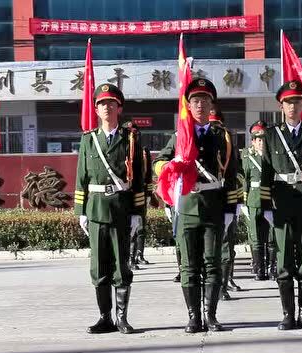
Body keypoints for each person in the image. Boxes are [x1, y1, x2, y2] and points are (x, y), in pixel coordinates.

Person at [153, 78, 238, 333]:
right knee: (189, 266)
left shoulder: (222, 135)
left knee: (213, 263)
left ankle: (210, 315)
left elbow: (232, 176)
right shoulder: (180, 136)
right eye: (195, 101)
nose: (200, 105)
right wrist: (171, 165)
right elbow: (159, 162)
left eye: (204, 100)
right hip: (187, 206)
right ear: (188, 106)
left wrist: (230, 210)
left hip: (213, 206)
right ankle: (193, 317)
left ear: (212, 104)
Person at [74, 83, 144, 334]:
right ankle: (105, 318)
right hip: (95, 211)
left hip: (121, 210)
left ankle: (122, 318)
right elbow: (81, 177)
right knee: (98, 266)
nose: (106, 107)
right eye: (102, 103)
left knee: (121, 266)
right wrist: (80, 211)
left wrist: (137, 213)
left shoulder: (131, 139)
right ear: (95, 109)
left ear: (119, 108)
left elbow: (138, 180)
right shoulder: (88, 140)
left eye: (111, 103)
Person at [260, 80, 302, 330]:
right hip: (281, 203)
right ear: (281, 106)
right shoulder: (271, 135)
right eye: (288, 102)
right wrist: (265, 205)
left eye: (297, 101)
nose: (293, 106)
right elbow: (265, 171)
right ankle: (288, 313)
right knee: (284, 260)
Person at [209, 107, 243, 300]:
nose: (214, 129)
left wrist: (235, 202)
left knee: (225, 246)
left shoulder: (228, 142)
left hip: (224, 200)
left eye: (216, 125)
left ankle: (223, 284)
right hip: (205, 201)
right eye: (211, 125)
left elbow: (234, 175)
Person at [240, 121, 274, 281]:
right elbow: (243, 180)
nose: (261, 143)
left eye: (264, 139)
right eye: (258, 140)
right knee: (257, 237)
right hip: (253, 200)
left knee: (272, 236)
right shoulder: (247, 156)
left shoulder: (273, 156)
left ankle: (273, 267)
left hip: (271, 200)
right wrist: (244, 202)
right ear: (253, 141)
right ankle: (260, 269)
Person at [128, 145, 153, 270]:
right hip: (130, 194)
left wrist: (148, 194)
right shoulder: (129, 153)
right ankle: (130, 258)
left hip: (141, 195)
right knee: (131, 228)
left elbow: (148, 175)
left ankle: (139, 254)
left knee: (141, 227)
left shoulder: (145, 153)